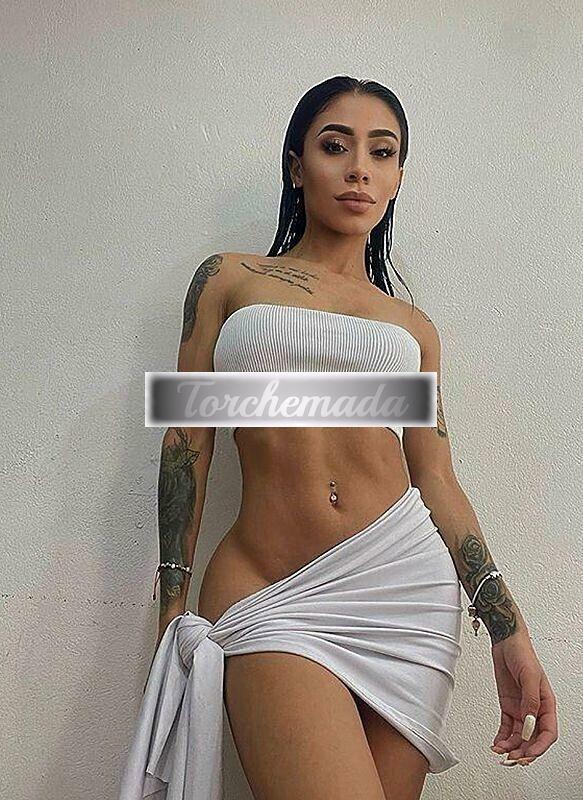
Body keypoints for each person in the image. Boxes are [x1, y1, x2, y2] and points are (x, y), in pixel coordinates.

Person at [119, 76, 558, 800]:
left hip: (404, 595)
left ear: (397, 177)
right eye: (335, 146)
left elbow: (435, 478)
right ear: (297, 167)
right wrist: (171, 600)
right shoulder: (230, 280)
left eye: (381, 153)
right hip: (269, 588)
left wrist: (508, 629)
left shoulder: (411, 327)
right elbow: (188, 436)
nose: (359, 169)